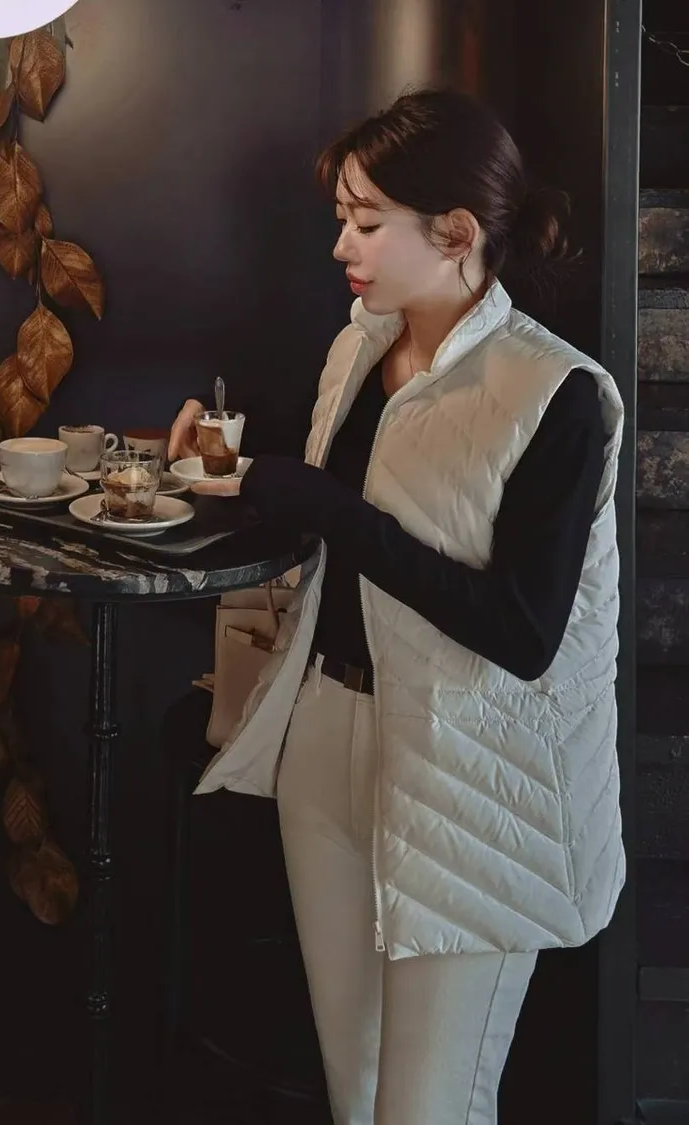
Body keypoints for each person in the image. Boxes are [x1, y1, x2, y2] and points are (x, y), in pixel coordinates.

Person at [168, 88, 625, 1125]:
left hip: (472, 779)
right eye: (343, 217)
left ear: (456, 233)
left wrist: (325, 505)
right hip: (328, 738)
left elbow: (521, 632)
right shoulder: (360, 349)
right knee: (358, 1090)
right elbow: (349, 519)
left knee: (428, 1110)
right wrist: (222, 472)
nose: (342, 244)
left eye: (367, 222)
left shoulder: (555, 394)